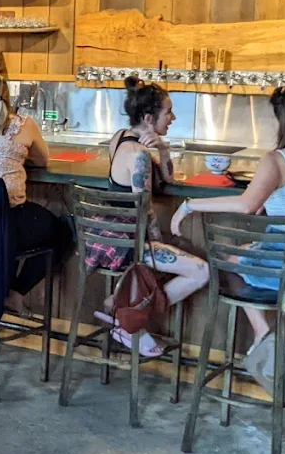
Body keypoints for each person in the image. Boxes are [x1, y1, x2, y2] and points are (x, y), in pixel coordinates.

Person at [170, 85, 285, 401]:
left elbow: (246, 205)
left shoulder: (278, 160)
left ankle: (264, 334)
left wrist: (189, 205)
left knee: (224, 261)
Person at [85, 76, 208, 356]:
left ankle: (119, 307)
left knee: (177, 255)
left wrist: (163, 147)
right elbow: (145, 210)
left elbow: (167, 177)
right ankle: (127, 321)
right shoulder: (138, 154)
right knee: (202, 271)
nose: (173, 117)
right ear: (150, 118)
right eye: (168, 111)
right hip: (129, 244)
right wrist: (157, 241)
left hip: (110, 236)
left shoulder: (120, 138)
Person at [0, 73, 71, 315]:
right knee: (64, 230)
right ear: (6, 96)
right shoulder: (23, 124)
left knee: (12, 225)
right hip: (2, 225)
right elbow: (42, 159)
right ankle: (14, 293)